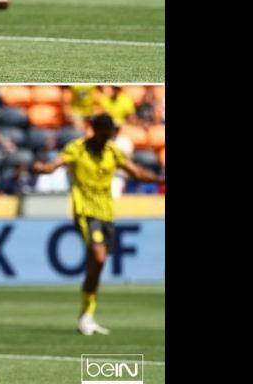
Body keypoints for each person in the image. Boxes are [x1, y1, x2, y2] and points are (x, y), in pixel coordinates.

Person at [32, 114, 165, 336]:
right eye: (105, 133)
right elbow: (57, 163)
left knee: (97, 266)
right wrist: (44, 168)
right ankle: (86, 316)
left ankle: (87, 316)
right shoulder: (78, 148)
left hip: (107, 214)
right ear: (95, 130)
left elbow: (136, 172)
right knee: (99, 256)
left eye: (110, 134)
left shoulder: (112, 151)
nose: (107, 138)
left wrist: (160, 180)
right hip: (85, 212)